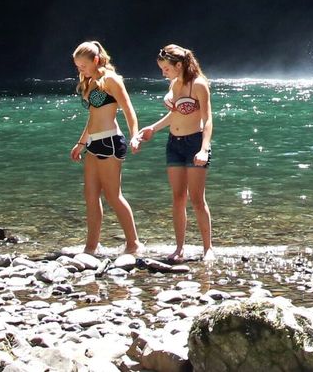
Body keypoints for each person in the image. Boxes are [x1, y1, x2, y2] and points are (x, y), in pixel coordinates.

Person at [137, 43, 213, 262]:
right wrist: (153, 128)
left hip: (195, 143)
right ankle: (180, 248)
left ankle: (207, 248)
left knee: (197, 199)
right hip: (174, 144)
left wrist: (204, 149)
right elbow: (176, 114)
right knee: (178, 198)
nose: (163, 73)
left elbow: (207, 119)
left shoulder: (199, 84)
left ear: (179, 65)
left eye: (166, 69)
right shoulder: (174, 83)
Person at [66, 40, 142, 255]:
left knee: (113, 195)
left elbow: (128, 109)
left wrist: (134, 136)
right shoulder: (89, 81)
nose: (80, 69)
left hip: (110, 141)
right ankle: (91, 246)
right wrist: (81, 143)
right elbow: (93, 117)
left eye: (83, 65)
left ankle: (133, 243)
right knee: (90, 195)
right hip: (93, 143)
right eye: (77, 66)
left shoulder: (111, 80)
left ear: (96, 60)